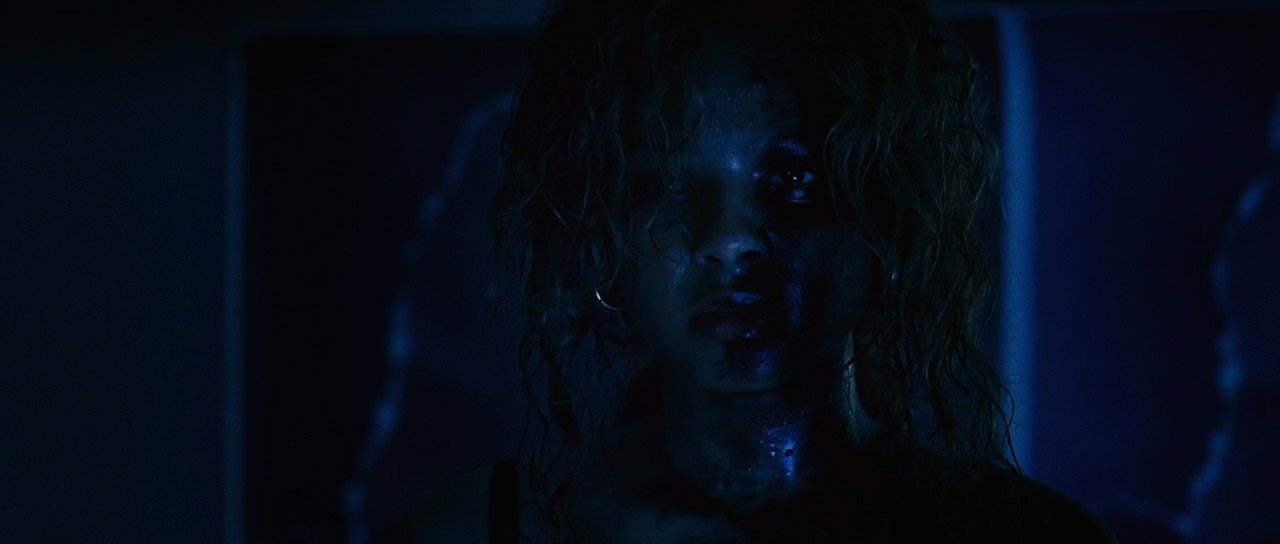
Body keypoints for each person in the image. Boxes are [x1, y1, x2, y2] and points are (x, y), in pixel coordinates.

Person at [409, 0, 1115, 541]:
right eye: (664, 184)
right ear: (606, 235)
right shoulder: (470, 531)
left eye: (794, 178)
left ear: (886, 221)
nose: (729, 241)